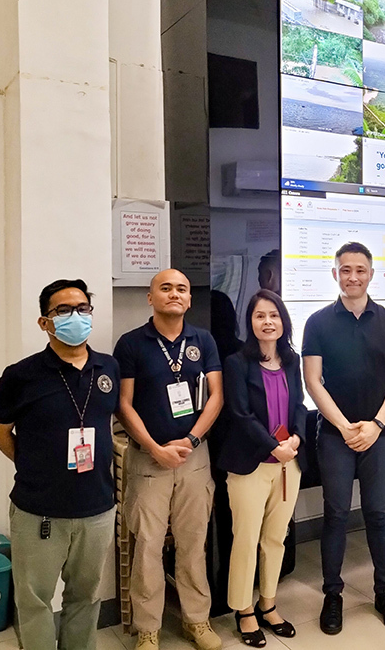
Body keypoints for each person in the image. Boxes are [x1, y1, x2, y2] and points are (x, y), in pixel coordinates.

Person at [0, 279, 119, 650]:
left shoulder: (108, 368)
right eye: (63, 310)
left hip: (96, 508)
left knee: (86, 597)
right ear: (45, 322)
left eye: (82, 308)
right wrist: (34, 466)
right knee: (34, 601)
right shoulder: (21, 375)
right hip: (38, 511)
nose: (75, 316)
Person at [302, 241, 385, 634]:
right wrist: (346, 426)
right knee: (335, 515)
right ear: (335, 274)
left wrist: (376, 425)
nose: (353, 276)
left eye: (360, 270)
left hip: (380, 433)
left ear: (371, 274)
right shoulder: (317, 322)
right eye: (345, 269)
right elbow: (312, 381)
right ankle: (333, 594)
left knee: (378, 512)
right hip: (334, 435)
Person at [113, 269, 224, 650]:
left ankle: (197, 620)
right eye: (166, 288)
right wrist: (155, 448)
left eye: (182, 289)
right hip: (148, 461)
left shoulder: (203, 340)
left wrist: (192, 439)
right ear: (150, 297)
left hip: (195, 458)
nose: (174, 294)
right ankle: (148, 628)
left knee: (194, 543)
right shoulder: (130, 344)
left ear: (190, 299)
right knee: (147, 547)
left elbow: (216, 397)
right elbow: (123, 405)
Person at [219, 290, 306, 647]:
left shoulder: (291, 359)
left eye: (274, 315)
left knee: (275, 538)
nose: (267, 322)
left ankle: (268, 604)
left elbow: (298, 403)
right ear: (250, 322)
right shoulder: (237, 362)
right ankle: (243, 610)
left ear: (283, 320)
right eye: (259, 316)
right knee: (246, 539)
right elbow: (239, 414)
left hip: (289, 464)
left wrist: (296, 440)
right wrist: (274, 447)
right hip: (250, 465)